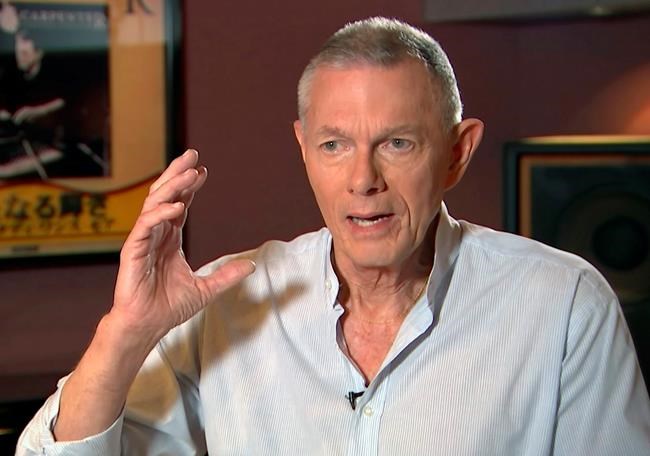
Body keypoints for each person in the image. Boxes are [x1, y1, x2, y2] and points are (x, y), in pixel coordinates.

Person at [17, 17, 650, 455]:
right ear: (303, 148)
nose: (362, 180)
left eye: (397, 143)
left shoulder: (563, 304)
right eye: (334, 145)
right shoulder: (229, 303)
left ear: (458, 152)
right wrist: (125, 332)